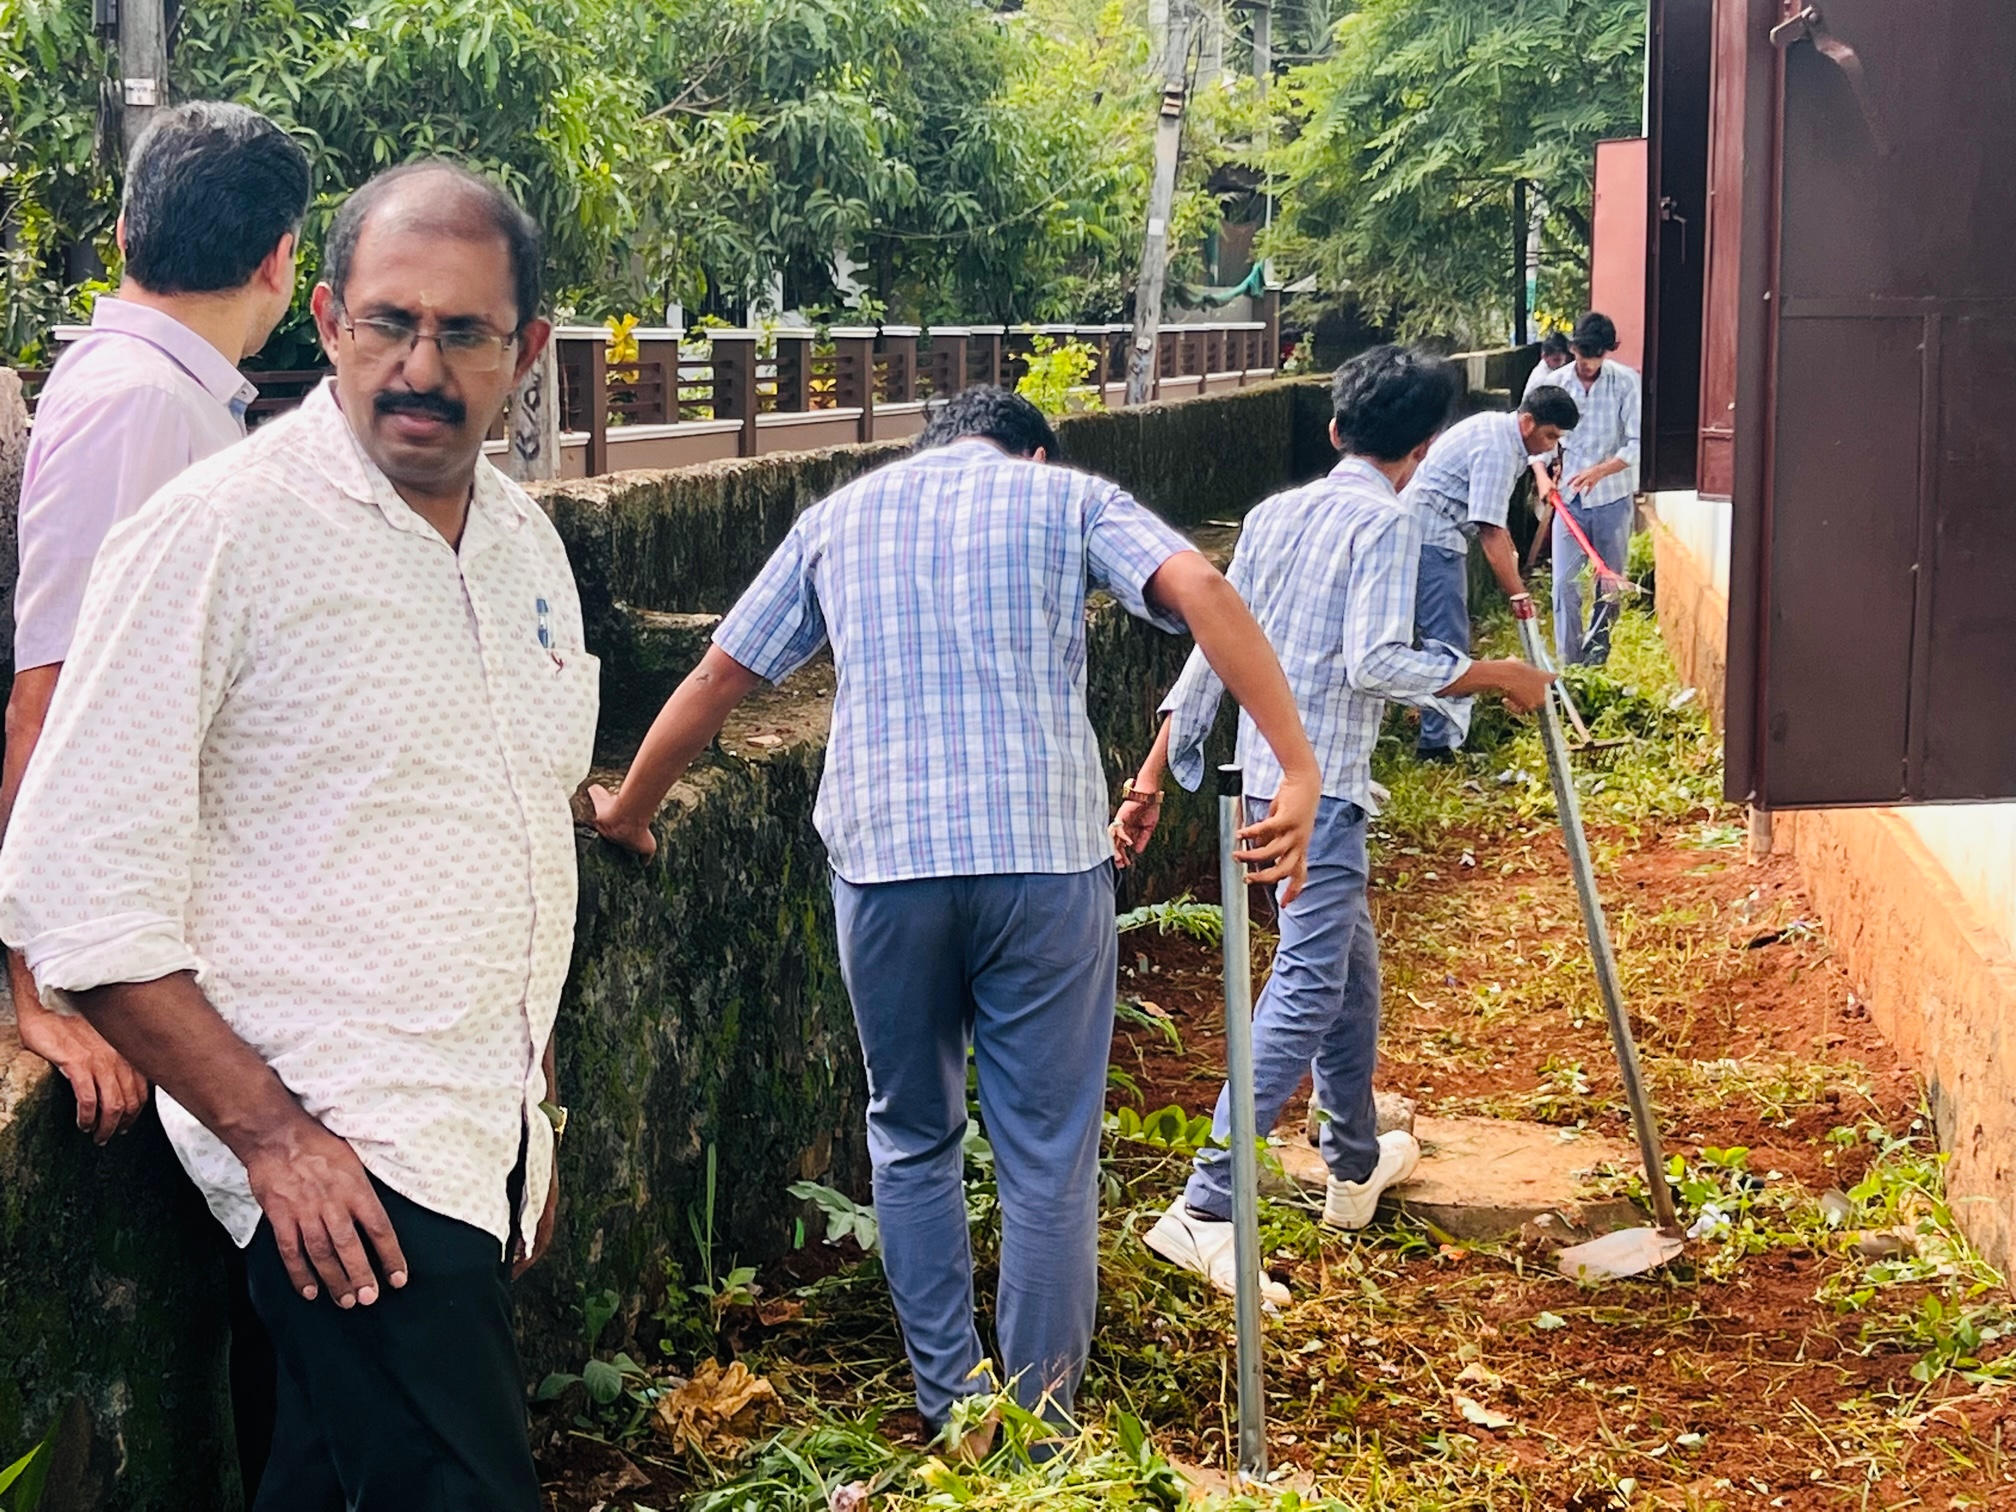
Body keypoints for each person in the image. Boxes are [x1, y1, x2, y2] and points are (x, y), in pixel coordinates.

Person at [0, 161, 591, 1511]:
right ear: (325, 319)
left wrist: (532, 1112)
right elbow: (76, 885)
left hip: (475, 1132)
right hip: (348, 1153)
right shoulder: (217, 535)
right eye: (389, 322)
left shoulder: (528, 551)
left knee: (322, 1483)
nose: (420, 367)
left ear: (528, 352)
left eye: (464, 331)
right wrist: (273, 1138)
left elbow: (523, 830)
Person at [586, 385, 1322, 1439]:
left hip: (887, 865)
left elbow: (718, 675)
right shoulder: (1065, 499)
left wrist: (629, 811)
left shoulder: (836, 519)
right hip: (1043, 861)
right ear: (1030, 452)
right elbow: (1202, 584)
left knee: (911, 1133)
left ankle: (952, 1408)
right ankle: (1039, 1427)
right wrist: (1295, 764)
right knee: (1048, 1155)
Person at [1112, 347, 1554, 1304]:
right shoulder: (1389, 524)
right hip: (1319, 799)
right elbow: (1377, 662)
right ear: (1424, 448)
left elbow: (1212, 650)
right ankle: (1206, 1204)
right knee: (1310, 984)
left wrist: (1151, 772)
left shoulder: (1275, 515)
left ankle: (1352, 1162)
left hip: (1260, 788)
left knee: (1349, 972)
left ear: (1334, 428)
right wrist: (1495, 675)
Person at [5, 101, 308, 1145]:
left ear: (128, 232)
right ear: (279, 261)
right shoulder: (136, 403)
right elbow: (51, 688)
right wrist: (41, 986)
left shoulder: (175, 395)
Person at [1400, 385, 1579, 758]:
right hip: (1430, 537)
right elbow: (1489, 529)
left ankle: (1443, 734)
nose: (1551, 447)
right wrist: (1518, 594)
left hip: (1433, 533)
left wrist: (1512, 555)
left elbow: (1495, 520)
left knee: (1442, 636)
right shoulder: (1498, 449)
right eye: (1549, 436)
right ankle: (1437, 745)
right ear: (1527, 422)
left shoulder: (1500, 432)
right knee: (1446, 642)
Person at [1528, 312, 1642, 666]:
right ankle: (1570, 665)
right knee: (1564, 584)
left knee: (1608, 585)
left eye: (1597, 355)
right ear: (1573, 349)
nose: (1589, 363)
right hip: (1569, 501)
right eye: (1583, 354)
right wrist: (1542, 476)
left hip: (1613, 499)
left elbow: (1637, 443)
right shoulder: (1556, 383)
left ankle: (1596, 661)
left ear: (1607, 352)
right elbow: (1534, 440)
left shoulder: (1626, 382)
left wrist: (1601, 470)